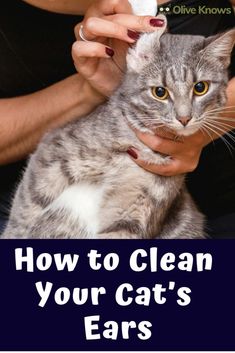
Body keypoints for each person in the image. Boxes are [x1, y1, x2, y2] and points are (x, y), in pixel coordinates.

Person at [0, 0, 234, 237]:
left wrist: (210, 127)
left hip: (215, 197)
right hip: (31, 204)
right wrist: (90, 89)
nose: (184, 116)